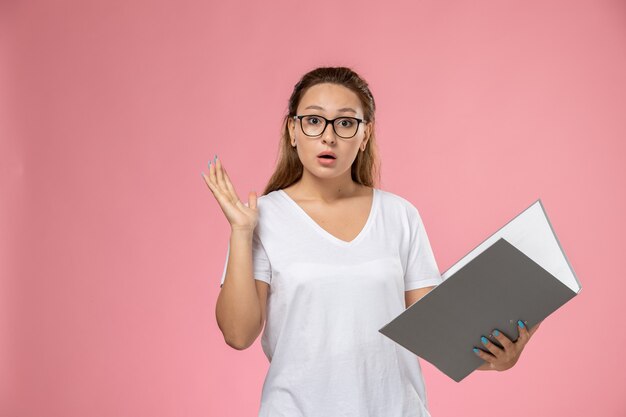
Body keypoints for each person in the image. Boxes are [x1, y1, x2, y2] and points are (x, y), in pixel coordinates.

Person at [203, 66, 541, 417]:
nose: (328, 137)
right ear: (293, 130)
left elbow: (437, 334)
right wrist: (241, 233)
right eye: (314, 121)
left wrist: (498, 360)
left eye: (346, 123)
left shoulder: (399, 216)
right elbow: (238, 335)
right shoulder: (263, 217)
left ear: (365, 135)